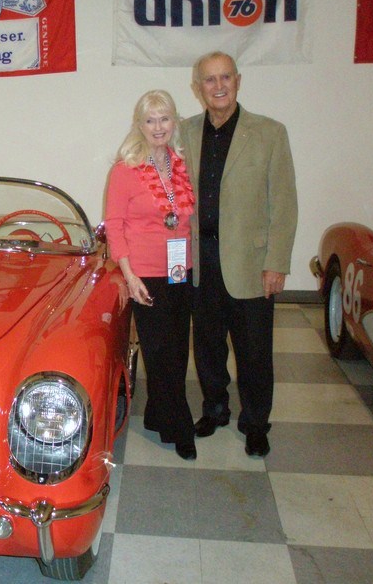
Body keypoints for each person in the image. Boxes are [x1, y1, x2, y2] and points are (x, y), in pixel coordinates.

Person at [181, 51, 298, 457]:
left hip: (250, 264)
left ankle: (255, 422)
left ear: (238, 81)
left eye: (225, 77)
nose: (218, 86)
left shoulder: (269, 133)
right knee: (209, 347)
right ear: (198, 88)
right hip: (202, 263)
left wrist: (276, 262)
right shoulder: (184, 133)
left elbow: (283, 204)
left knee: (254, 351)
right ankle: (215, 410)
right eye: (209, 80)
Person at [104, 90, 197, 460]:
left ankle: (159, 414)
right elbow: (114, 225)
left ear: (174, 122)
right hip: (145, 273)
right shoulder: (124, 169)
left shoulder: (182, 163)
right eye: (150, 120)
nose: (158, 127)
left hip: (179, 268)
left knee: (177, 348)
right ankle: (181, 426)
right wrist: (129, 275)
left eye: (165, 119)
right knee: (159, 351)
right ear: (139, 125)